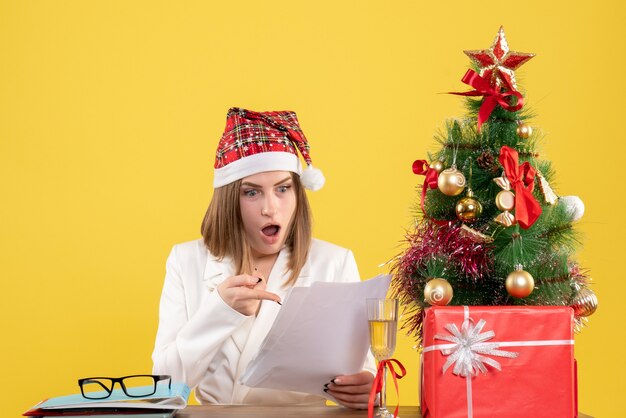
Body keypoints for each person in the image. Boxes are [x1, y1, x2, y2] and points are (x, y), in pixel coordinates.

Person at [151, 108, 376, 409]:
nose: (271, 208)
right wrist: (220, 310)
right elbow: (164, 388)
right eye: (252, 193)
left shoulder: (335, 263)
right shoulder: (186, 261)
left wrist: (369, 389)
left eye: (283, 188)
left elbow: (365, 372)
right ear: (230, 199)